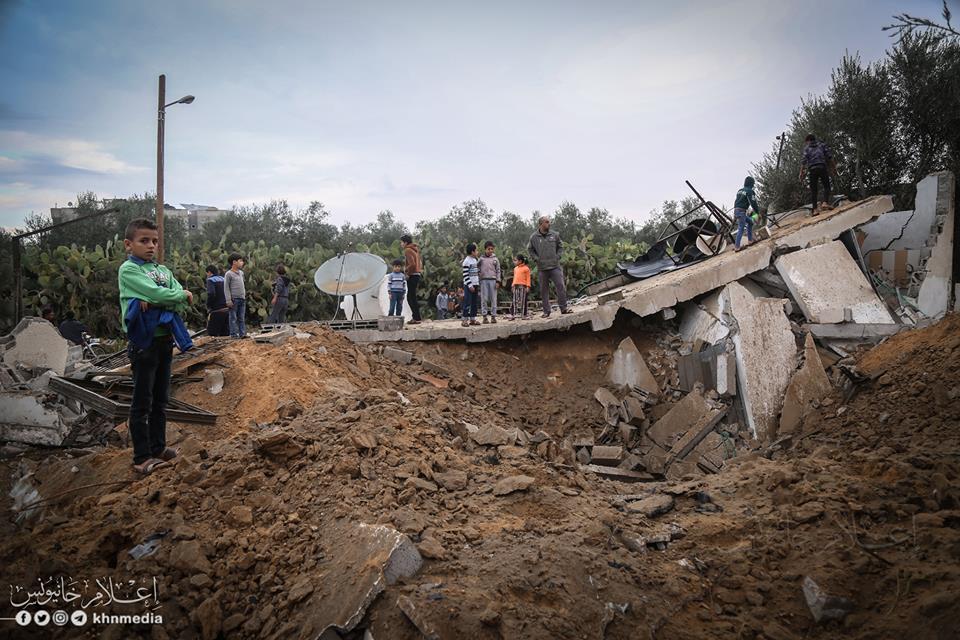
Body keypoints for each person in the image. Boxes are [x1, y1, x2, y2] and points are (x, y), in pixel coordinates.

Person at [118, 218, 193, 475]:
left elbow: (172, 299)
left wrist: (163, 298)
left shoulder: (163, 271)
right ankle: (141, 457)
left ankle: (159, 447)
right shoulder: (129, 270)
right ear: (129, 244)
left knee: (161, 399)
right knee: (142, 402)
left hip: (165, 341)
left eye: (154, 241)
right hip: (144, 342)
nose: (151, 246)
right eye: (144, 241)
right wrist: (175, 295)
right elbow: (168, 295)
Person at [528, 215, 571, 318]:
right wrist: (536, 259)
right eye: (546, 222)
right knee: (544, 290)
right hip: (542, 268)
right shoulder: (533, 237)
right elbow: (530, 249)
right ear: (541, 224)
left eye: (549, 222)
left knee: (560, 286)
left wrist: (558, 256)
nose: (549, 223)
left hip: (555, 266)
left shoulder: (555, 235)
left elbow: (560, 246)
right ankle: (546, 311)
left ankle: (564, 308)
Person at [800, 134, 836, 214]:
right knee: (827, 186)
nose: (806, 143)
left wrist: (801, 173)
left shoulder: (807, 149)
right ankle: (825, 203)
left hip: (812, 170)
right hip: (822, 167)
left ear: (808, 140)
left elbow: (803, 161)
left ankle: (815, 210)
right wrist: (834, 168)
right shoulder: (822, 145)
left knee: (814, 190)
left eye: (806, 142)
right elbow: (830, 157)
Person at [733, 176, 761, 252]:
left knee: (750, 222)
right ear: (751, 184)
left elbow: (736, 202)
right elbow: (753, 203)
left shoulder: (740, 191)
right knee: (741, 228)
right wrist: (757, 213)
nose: (753, 185)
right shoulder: (749, 191)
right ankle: (737, 247)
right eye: (753, 184)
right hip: (741, 212)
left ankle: (750, 240)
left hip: (737, 210)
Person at [477, 241, 502, 324]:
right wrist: (479, 276)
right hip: (484, 280)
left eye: (492, 249)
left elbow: (498, 271)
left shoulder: (495, 259)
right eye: (489, 249)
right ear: (485, 249)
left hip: (493, 281)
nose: (490, 250)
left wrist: (498, 281)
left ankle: (493, 316)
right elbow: (476, 268)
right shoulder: (481, 259)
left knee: (494, 299)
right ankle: (484, 317)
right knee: (484, 299)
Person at [400, 234, 423, 325]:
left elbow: (412, 264)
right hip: (417, 274)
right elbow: (418, 263)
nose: (401, 244)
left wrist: (407, 272)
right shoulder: (415, 250)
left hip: (413, 275)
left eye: (401, 242)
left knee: (410, 297)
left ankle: (416, 317)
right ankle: (417, 317)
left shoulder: (408, 250)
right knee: (412, 296)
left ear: (405, 243)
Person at [224, 253, 247, 338]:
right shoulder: (228, 274)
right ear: (234, 262)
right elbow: (226, 288)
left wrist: (244, 295)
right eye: (240, 261)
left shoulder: (241, 273)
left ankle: (242, 334)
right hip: (234, 299)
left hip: (242, 298)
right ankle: (234, 334)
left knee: (241, 318)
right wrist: (228, 300)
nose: (242, 262)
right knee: (233, 318)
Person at [205, 265, 230, 337]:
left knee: (212, 334)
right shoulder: (223, 279)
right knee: (225, 334)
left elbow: (211, 293)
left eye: (207, 273)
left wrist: (209, 305)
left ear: (209, 272)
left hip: (217, 310)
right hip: (227, 309)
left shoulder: (210, 280)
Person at [461, 243, 480, 327]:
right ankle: (464, 319)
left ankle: (473, 318)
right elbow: (465, 275)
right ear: (472, 251)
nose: (477, 252)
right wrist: (470, 285)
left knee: (474, 302)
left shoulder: (475, 260)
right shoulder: (466, 261)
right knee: (467, 302)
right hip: (469, 285)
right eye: (476, 250)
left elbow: (475, 272)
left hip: (475, 284)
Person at [511, 254, 532, 320]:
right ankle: (513, 314)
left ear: (520, 261)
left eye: (515, 260)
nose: (514, 262)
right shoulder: (515, 269)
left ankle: (523, 315)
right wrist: (513, 285)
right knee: (514, 300)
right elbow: (514, 278)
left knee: (523, 301)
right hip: (516, 286)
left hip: (523, 287)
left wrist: (528, 286)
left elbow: (528, 278)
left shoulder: (526, 268)